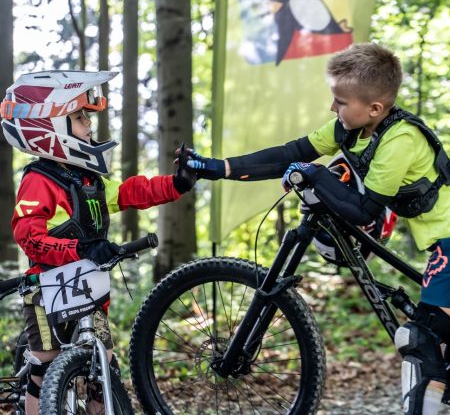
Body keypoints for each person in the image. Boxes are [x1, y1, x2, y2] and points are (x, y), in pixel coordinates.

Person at [181, 43, 450, 415]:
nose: (333, 109)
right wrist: (217, 167)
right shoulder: (352, 131)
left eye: (340, 101)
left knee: (421, 340)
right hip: (441, 244)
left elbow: (363, 211)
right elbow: (290, 153)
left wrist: (317, 174)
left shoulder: (399, 139)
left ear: (374, 108)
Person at [0, 70, 196, 415]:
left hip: (88, 290)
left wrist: (175, 184)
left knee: (103, 362)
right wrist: (79, 250)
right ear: (49, 128)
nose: (89, 125)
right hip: (47, 289)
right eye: (79, 118)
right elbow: (28, 236)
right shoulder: (39, 180)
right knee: (45, 364)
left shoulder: (88, 179)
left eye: (87, 117)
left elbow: (130, 192)